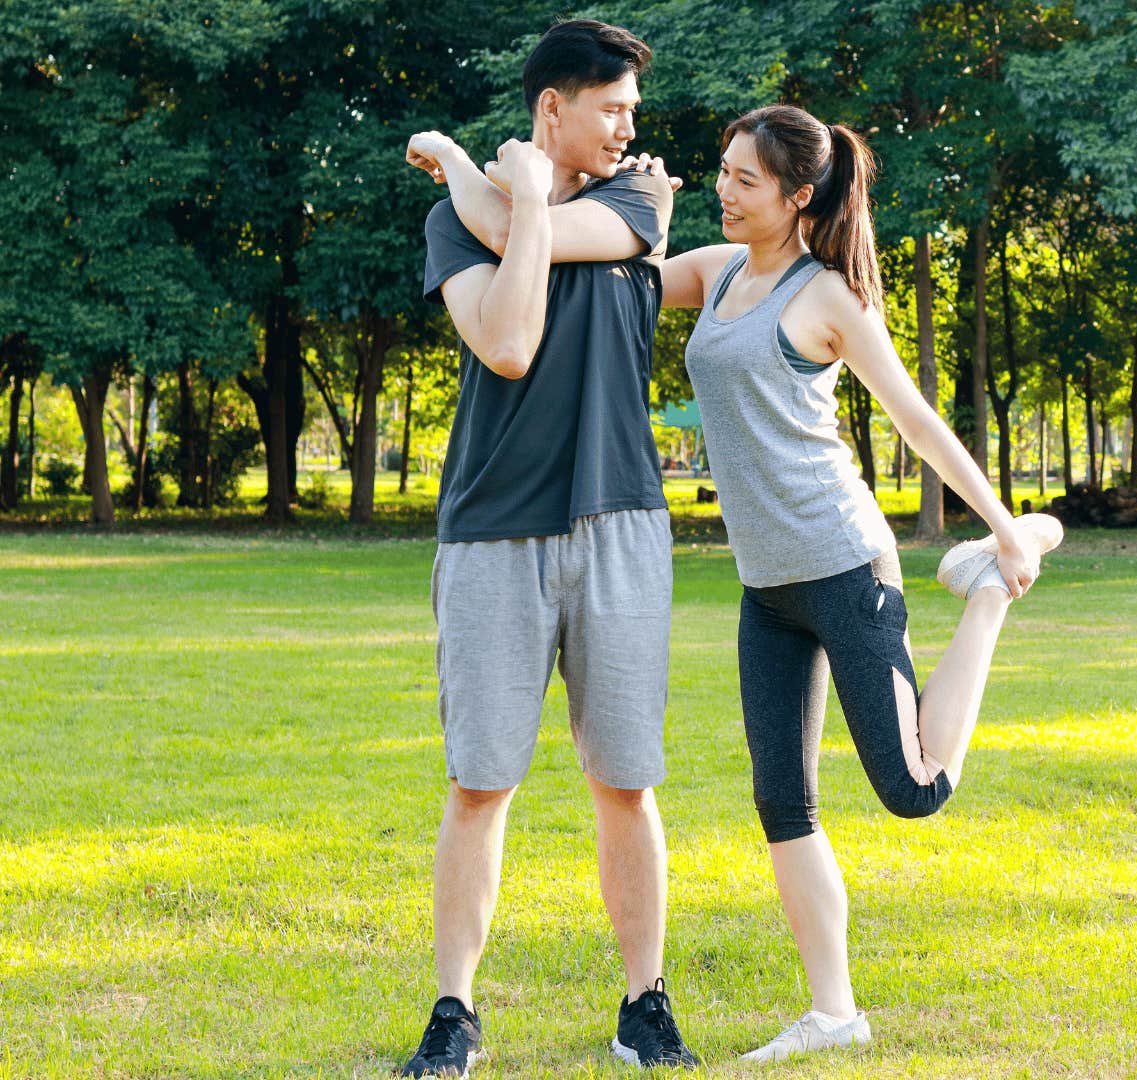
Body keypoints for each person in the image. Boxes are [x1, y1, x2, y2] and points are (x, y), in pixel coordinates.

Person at [653, 104, 1062, 1062]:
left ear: (800, 197)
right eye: (722, 172)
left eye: (745, 181)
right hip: (768, 589)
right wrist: (593, 194)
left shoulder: (826, 296)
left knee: (913, 790)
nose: (725, 190)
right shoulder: (716, 273)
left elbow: (917, 421)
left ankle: (988, 598)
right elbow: (623, 274)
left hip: (844, 566)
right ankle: (833, 1012)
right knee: (781, 803)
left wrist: (1002, 528)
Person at [400, 18, 697, 1075]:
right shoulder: (456, 226)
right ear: (552, 109)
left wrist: (488, 178)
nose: (628, 128)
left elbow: (512, 222)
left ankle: (644, 1002)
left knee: (627, 778)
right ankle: (454, 1012)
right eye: (609, 108)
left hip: (620, 519)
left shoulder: (639, 203)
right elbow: (511, 343)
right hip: (491, 530)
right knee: (481, 781)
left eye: (632, 111)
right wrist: (492, 186)